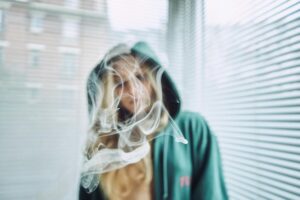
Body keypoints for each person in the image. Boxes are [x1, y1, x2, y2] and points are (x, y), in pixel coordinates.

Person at [79, 41, 228, 200]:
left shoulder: (192, 128)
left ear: (155, 80)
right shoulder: (103, 146)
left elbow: (212, 194)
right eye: (120, 83)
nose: (132, 90)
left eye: (140, 77)